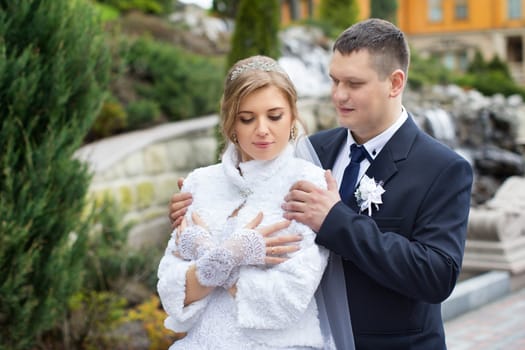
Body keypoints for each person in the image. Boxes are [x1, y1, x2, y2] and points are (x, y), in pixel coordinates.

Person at [170, 19, 474, 349]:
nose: (338, 95)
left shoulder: (444, 168)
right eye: (334, 81)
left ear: (395, 83)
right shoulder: (312, 151)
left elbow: (436, 276)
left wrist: (336, 221)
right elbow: (253, 197)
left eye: (354, 84)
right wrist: (201, 200)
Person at [158, 55, 349, 350]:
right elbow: (171, 290)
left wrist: (219, 261)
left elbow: (289, 298)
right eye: (247, 118)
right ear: (231, 122)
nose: (262, 129)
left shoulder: (308, 185)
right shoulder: (199, 182)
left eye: (274, 116)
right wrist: (227, 256)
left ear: (292, 117)